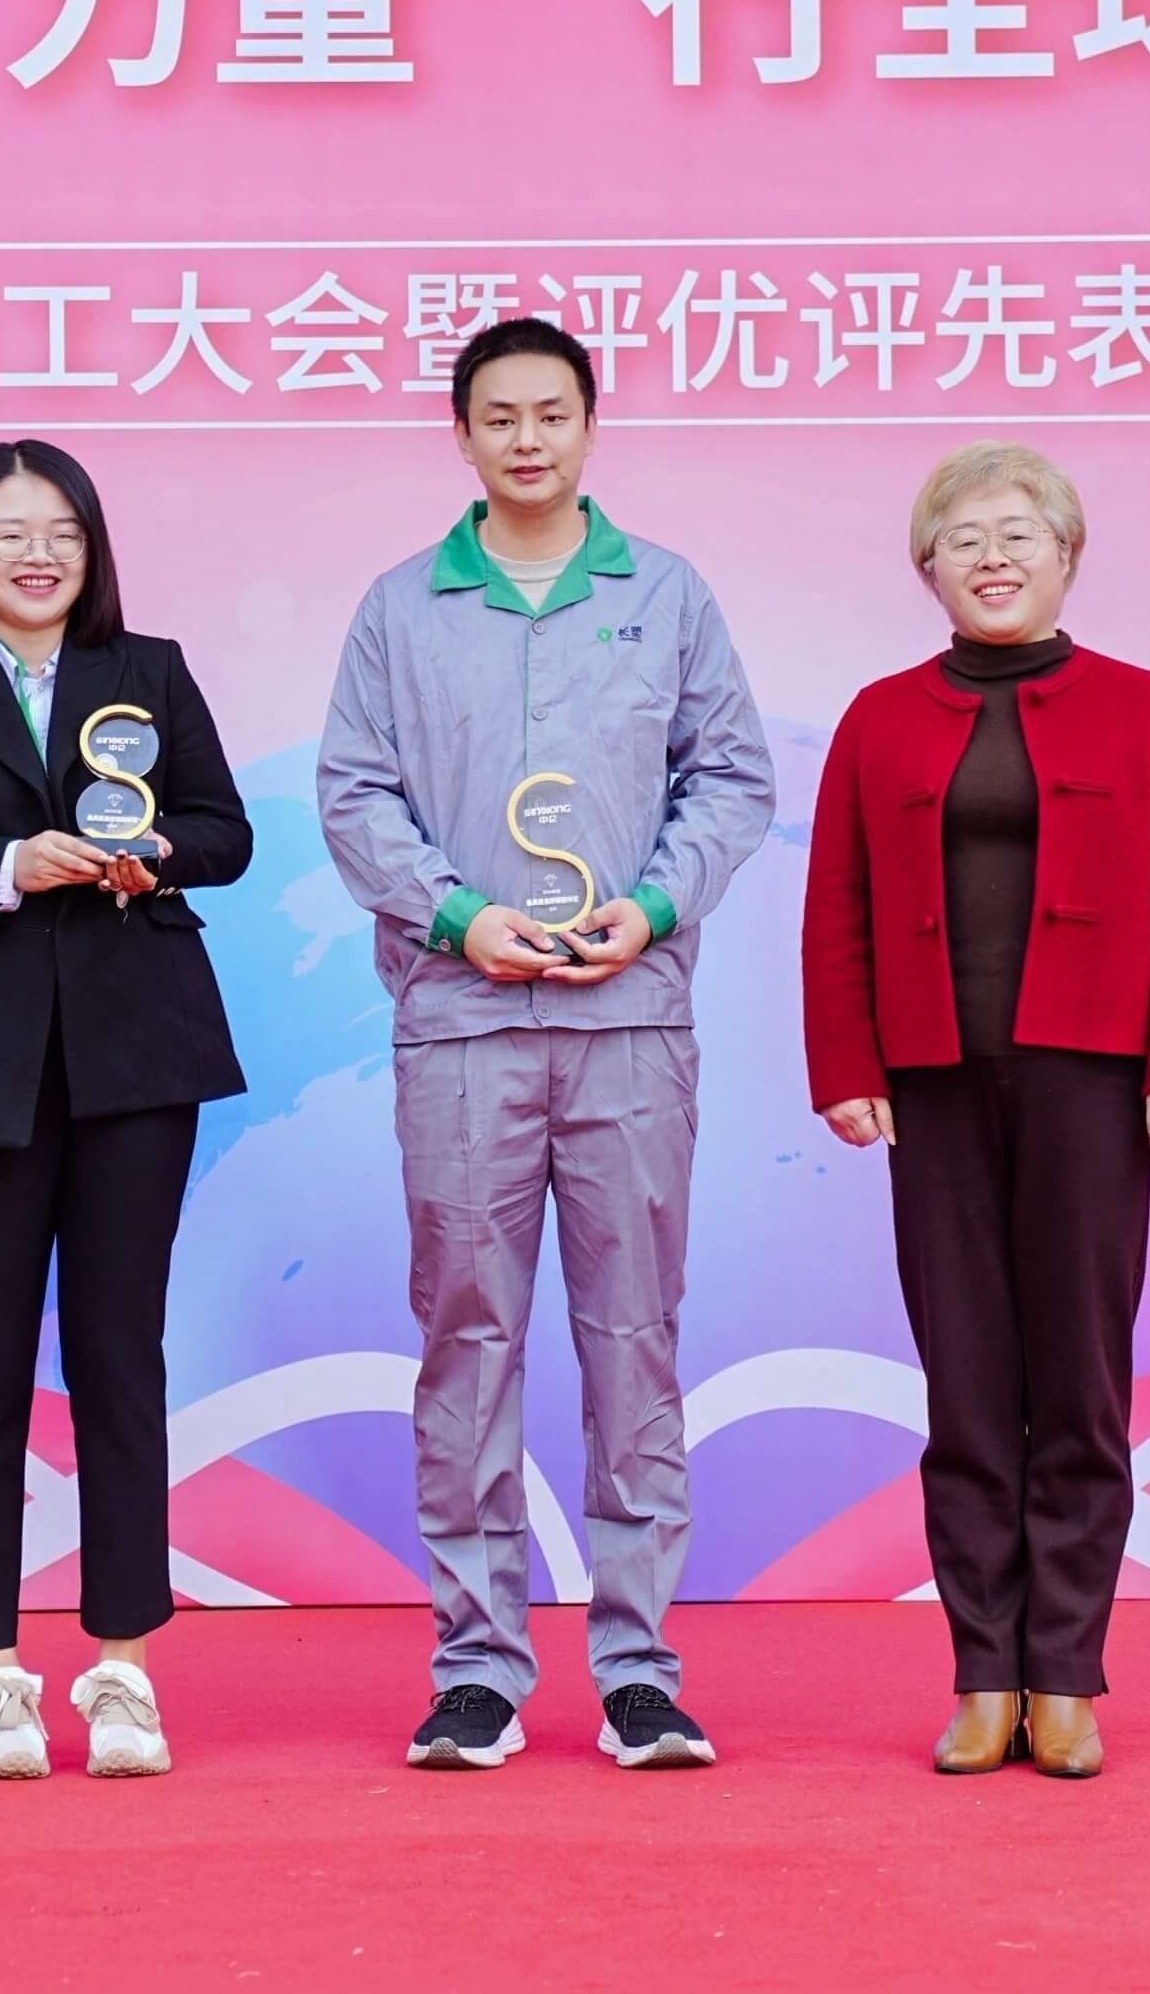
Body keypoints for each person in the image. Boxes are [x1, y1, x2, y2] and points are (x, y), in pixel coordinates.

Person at [317, 316, 776, 1772]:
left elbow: (732, 777)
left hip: (627, 1021)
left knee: (634, 1339)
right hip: (463, 1025)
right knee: (468, 1338)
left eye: (552, 413)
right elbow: (354, 794)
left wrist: (655, 906)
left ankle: (640, 1670)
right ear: (462, 435)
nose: (527, 439)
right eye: (500, 417)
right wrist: (458, 916)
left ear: (590, 425)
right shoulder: (401, 608)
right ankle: (477, 1671)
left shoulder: (668, 594)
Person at [799, 443, 1150, 1780]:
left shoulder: (1143, 708)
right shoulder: (879, 717)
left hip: (1092, 1079)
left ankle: (1068, 1675)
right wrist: (847, 1063)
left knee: (1080, 1384)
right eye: (963, 538)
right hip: (932, 1081)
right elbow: (838, 904)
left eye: (1017, 534)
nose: (992, 557)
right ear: (928, 568)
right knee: (968, 1382)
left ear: (1066, 555)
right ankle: (985, 1671)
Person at [0, 442, 253, 1780]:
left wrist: (154, 855)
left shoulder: (152, 671)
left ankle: (124, 1668)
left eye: (62, 531)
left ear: (93, 549)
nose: (37, 554)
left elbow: (226, 832)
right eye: (9, 531)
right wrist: (11, 862)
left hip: (135, 1051)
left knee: (121, 1355)